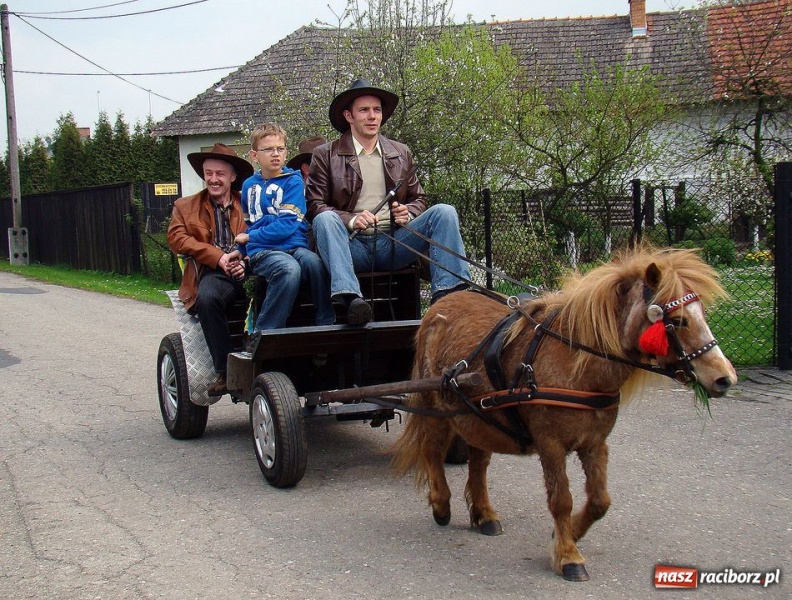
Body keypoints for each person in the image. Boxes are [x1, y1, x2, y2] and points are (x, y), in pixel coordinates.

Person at [305, 79, 471, 324]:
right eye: (364, 110)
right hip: (351, 247)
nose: (372, 116)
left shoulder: (400, 152)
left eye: (377, 110)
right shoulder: (326, 154)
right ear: (348, 116)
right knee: (325, 219)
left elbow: (419, 198)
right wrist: (351, 220)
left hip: (394, 242)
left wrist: (408, 212)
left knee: (444, 212)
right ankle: (351, 299)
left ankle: (449, 297)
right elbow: (314, 205)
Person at [167, 143, 254, 396]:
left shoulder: (249, 201)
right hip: (214, 272)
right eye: (209, 173)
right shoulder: (185, 206)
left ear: (233, 177)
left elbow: (267, 230)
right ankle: (227, 372)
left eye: (220, 174)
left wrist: (244, 262)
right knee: (207, 298)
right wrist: (219, 257)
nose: (213, 179)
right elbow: (176, 238)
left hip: (253, 267)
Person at [235, 124, 334, 332]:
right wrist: (243, 248)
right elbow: (251, 221)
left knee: (316, 265)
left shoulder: (294, 181)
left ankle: (325, 324)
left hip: (294, 246)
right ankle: (266, 333)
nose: (275, 154)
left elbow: (287, 225)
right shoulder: (248, 186)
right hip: (263, 251)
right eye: (269, 149)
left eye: (280, 149)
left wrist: (250, 237)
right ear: (254, 155)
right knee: (288, 269)